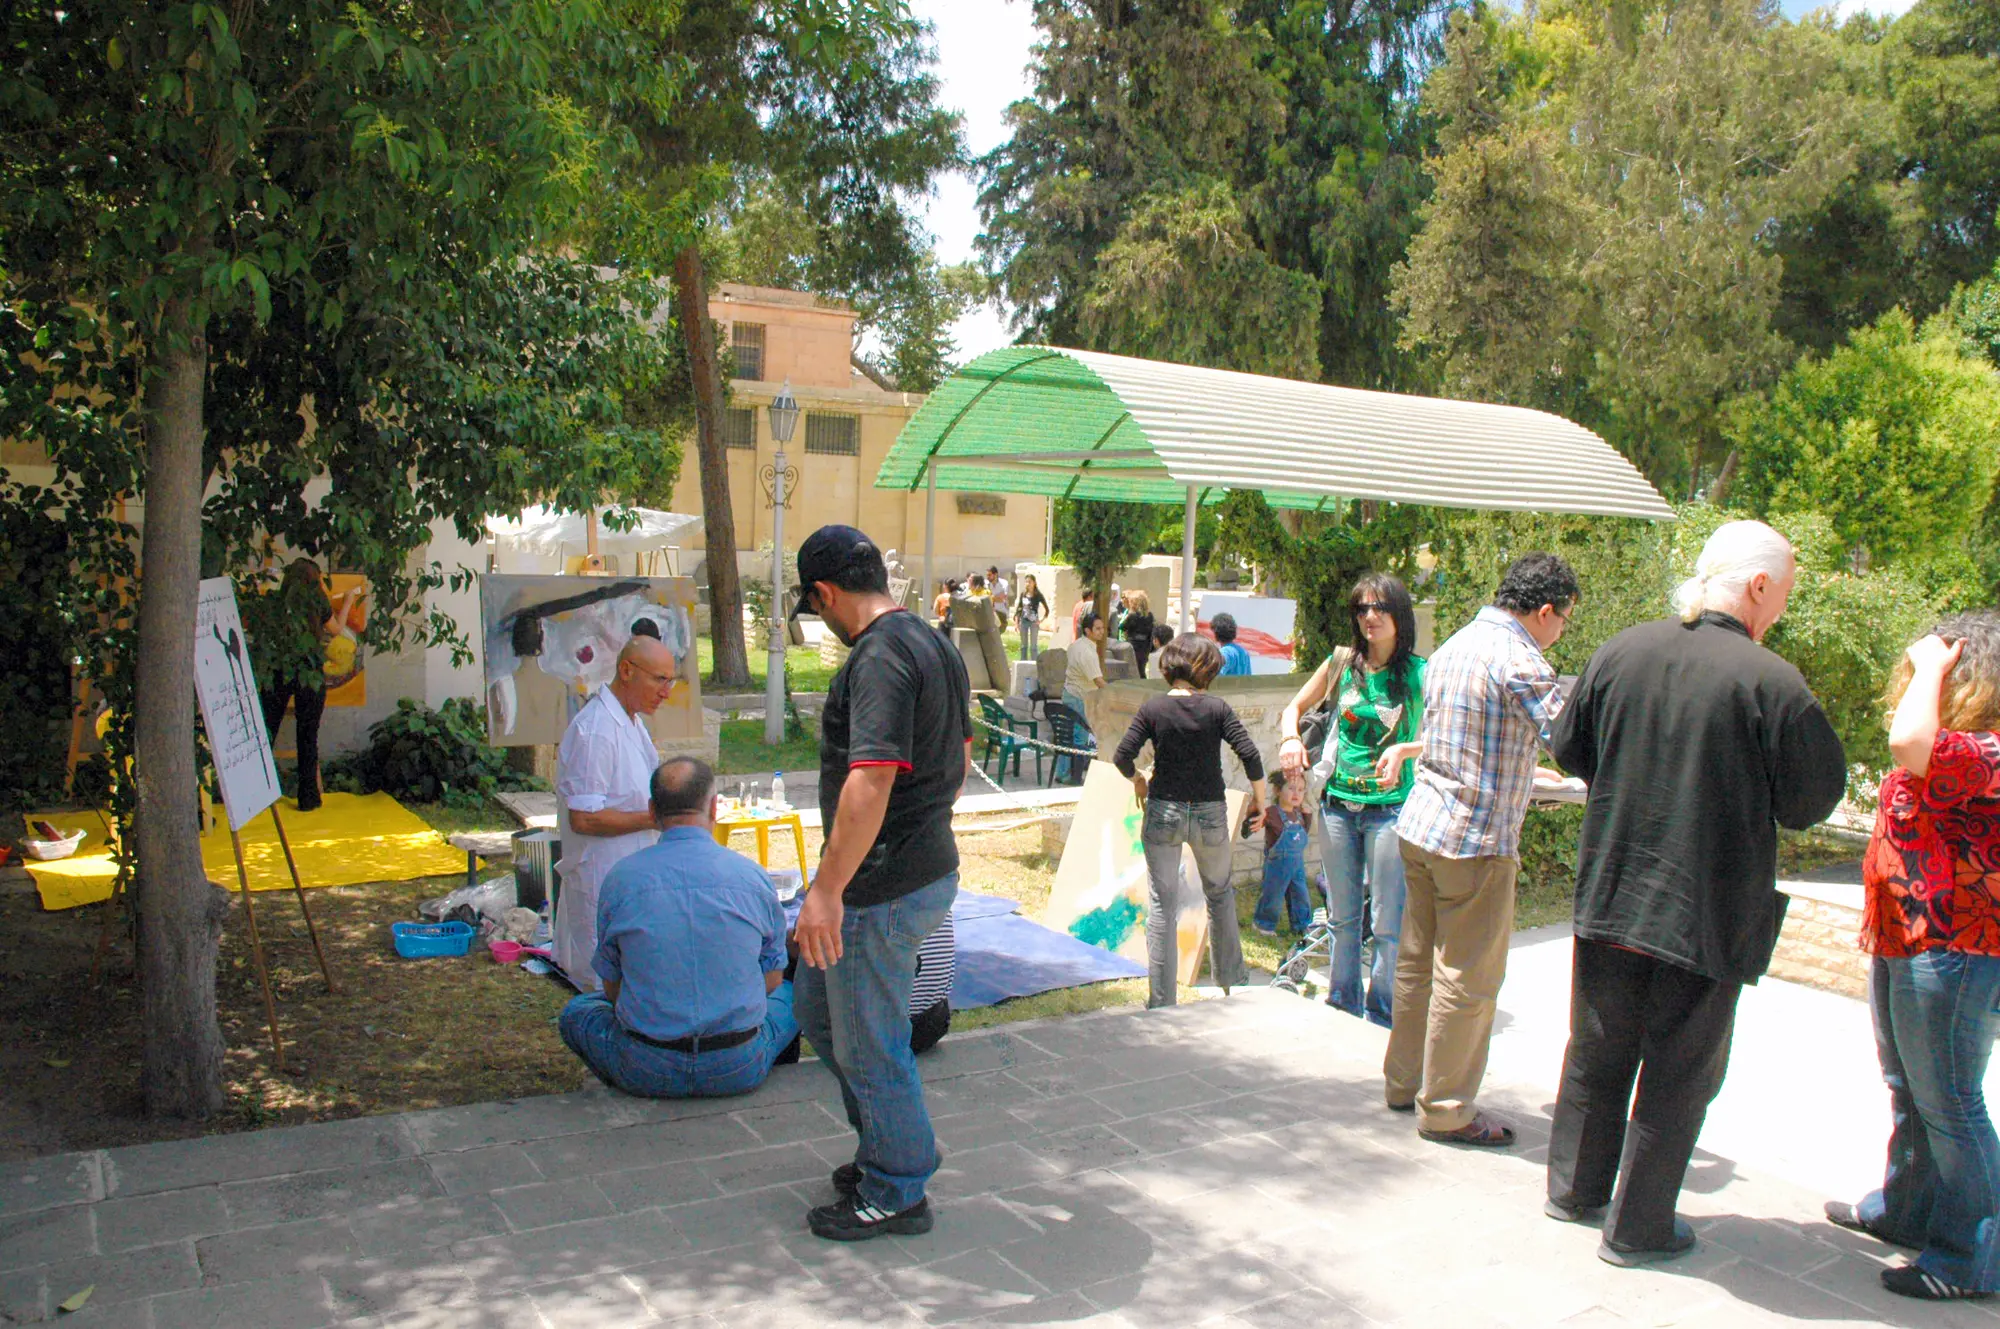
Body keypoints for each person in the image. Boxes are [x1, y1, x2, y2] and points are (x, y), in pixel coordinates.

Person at [1544, 521, 1845, 1268]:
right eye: (1784, 593)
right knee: (1679, 1070)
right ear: (1759, 586)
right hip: (1705, 908)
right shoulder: (1772, 683)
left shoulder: (1623, 650)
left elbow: (1570, 746)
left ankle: (1574, 1191)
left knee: (1598, 1046)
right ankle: (1638, 1227)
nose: (1782, 608)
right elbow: (1810, 801)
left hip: (1614, 888)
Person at [789, 524, 971, 1241]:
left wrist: (828, 889)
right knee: (818, 1009)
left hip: (880, 886)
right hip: (910, 868)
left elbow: (871, 778)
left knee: (867, 1039)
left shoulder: (881, 655)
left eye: (815, 607)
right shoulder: (931, 641)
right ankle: (891, 1145)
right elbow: (959, 755)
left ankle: (897, 1185)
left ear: (824, 593)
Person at [1828, 612, 2000, 1301]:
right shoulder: (1960, 745)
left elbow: (1908, 739)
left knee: (1951, 1101)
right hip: (1907, 938)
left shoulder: (1988, 751)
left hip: (1955, 948)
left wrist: (1931, 665)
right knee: (1910, 1087)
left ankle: (1972, 1258)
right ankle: (1906, 1210)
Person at [1390, 552, 1577, 1148]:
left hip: (1422, 827)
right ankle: (1446, 1110)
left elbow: (1462, 737)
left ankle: (1403, 1082)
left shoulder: (1456, 645)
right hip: (1475, 841)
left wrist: (1526, 775)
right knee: (1466, 980)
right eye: (1564, 618)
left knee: (1417, 966)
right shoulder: (1521, 659)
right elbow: (1573, 741)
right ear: (1545, 610)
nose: (1562, 629)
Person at [557, 757, 799, 1098]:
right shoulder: (752, 876)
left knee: (577, 1011)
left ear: (652, 811)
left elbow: (612, 989)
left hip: (645, 1065)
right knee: (792, 993)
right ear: (714, 808)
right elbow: (772, 980)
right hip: (738, 1064)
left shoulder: (621, 879)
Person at [1279, 574, 1427, 1027]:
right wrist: (1290, 738)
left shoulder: (1419, 672)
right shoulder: (1342, 662)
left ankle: (1381, 1014)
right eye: (1362, 609)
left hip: (1391, 810)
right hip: (1338, 807)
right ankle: (1343, 1004)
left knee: (1385, 923)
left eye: (1379, 608)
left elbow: (1449, 734)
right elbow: (1293, 708)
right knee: (1341, 918)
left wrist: (1406, 750)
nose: (1369, 617)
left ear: (1399, 614)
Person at [1111, 633, 1268, 1007]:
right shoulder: (1217, 708)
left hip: (1163, 810)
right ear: (1206, 669)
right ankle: (1232, 983)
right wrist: (1260, 803)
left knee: (1162, 905)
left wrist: (1138, 780)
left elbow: (1121, 756)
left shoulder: (1153, 708)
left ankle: (1162, 1001)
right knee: (1220, 893)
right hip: (1210, 812)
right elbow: (1250, 755)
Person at [553, 635, 678, 993]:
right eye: (659, 679)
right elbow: (584, 818)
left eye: (670, 681)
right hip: (601, 878)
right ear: (626, 671)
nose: (666, 692)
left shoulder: (631, 722)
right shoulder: (596, 731)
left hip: (631, 877)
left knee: (632, 981)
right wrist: (656, 819)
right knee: (602, 986)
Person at [255, 558, 347, 813]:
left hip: (280, 669)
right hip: (310, 671)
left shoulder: (276, 602)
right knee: (307, 735)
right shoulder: (317, 600)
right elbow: (336, 629)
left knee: (267, 731)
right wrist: (349, 602)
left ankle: (255, 795)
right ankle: (308, 797)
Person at [1254, 770, 1313, 936]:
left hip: (1297, 864)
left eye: (1301, 790)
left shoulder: (1299, 814)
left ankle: (1302, 924)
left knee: (1300, 894)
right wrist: (1254, 813)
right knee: (1273, 894)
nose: (1296, 794)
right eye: (1291, 788)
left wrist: (1308, 817)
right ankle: (1264, 924)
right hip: (1277, 864)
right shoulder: (1271, 813)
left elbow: (1303, 834)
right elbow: (1250, 827)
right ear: (1278, 790)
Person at [1058, 611, 1109, 781]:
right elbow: (1098, 681)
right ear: (1088, 630)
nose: (1102, 631)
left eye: (1102, 628)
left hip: (1069, 693)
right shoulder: (1087, 652)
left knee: (1066, 736)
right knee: (1079, 737)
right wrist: (1114, 693)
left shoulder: (1075, 645)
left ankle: (1063, 773)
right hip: (1079, 698)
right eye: (1098, 628)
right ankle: (1073, 777)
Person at [1122, 590, 1158, 679]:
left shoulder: (1132, 616)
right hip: (1145, 645)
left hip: (1133, 645)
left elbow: (1122, 627)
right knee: (1141, 669)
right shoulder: (1150, 615)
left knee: (1132, 669)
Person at [1016, 574, 1050, 661]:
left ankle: (1034, 663)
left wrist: (1041, 620)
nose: (1028, 584)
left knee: (1033, 646)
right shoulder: (1023, 594)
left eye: (1029, 582)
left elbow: (1047, 610)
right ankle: (1023, 662)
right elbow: (1019, 609)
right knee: (1023, 645)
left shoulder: (1038, 595)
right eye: (1026, 582)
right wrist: (1017, 623)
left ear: (1034, 583)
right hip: (1024, 621)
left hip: (1034, 622)